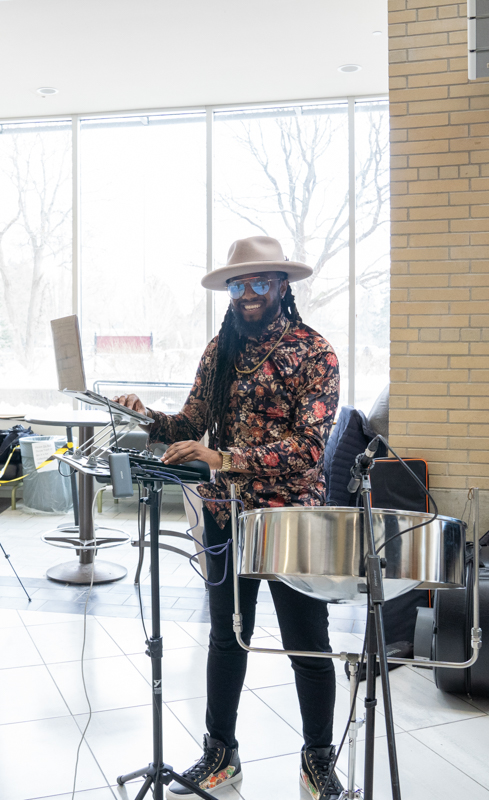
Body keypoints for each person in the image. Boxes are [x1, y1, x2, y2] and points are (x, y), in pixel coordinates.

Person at [116, 236, 342, 800]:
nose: (247, 294)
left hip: (292, 520)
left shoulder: (315, 354)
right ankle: (221, 754)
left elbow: (309, 449)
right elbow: (193, 421)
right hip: (226, 517)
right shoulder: (221, 350)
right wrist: (146, 417)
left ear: (282, 287)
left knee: (308, 646)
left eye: (259, 282)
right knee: (227, 640)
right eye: (239, 284)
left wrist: (225, 459)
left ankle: (318, 761)